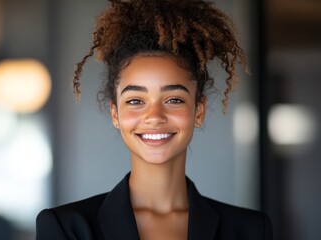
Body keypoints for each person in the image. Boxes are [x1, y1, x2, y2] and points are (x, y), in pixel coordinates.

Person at [36, 0, 273, 239]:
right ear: (115, 114)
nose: (155, 117)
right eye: (136, 101)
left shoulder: (251, 230)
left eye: (173, 100)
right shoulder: (66, 227)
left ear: (198, 111)